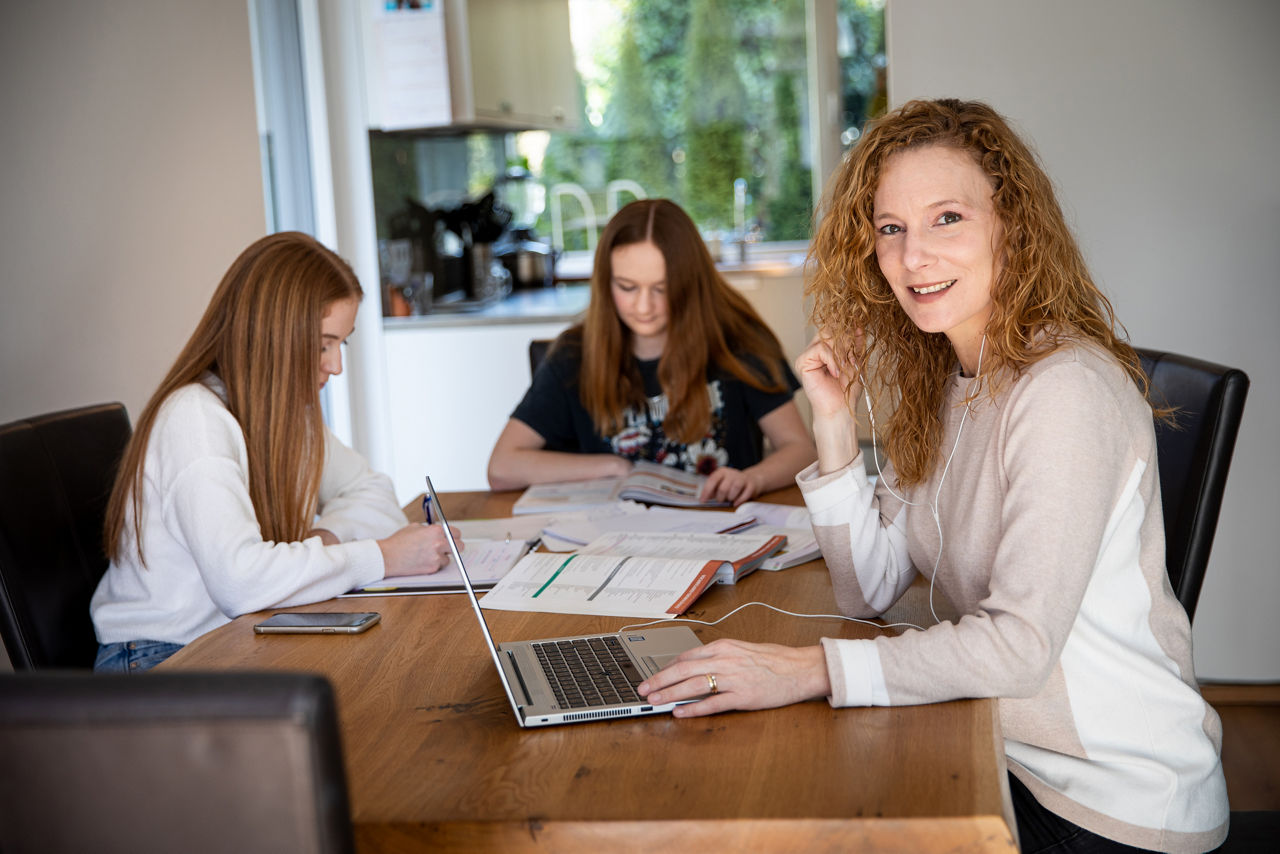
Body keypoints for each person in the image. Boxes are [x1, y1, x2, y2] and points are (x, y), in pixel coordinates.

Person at [637, 100, 1228, 852]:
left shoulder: (1065, 391)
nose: (914, 256)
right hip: (999, 747)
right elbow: (868, 588)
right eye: (891, 228)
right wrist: (831, 422)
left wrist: (810, 669)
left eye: (947, 218)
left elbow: (1018, 646)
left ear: (1011, 223)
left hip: (1110, 799)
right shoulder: (951, 381)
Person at [92, 232, 459, 672]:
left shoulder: (284, 413)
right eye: (324, 343)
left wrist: (323, 541)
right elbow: (241, 582)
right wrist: (382, 556)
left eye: (342, 343)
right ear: (273, 333)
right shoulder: (194, 419)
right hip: (162, 658)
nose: (336, 365)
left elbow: (374, 492)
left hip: (238, 635)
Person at [487, 199, 816, 505]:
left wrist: (753, 479)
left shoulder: (739, 339)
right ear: (606, 282)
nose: (644, 307)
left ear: (690, 282)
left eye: (662, 288)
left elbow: (801, 450)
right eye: (627, 287)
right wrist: (611, 467)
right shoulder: (574, 355)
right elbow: (502, 467)